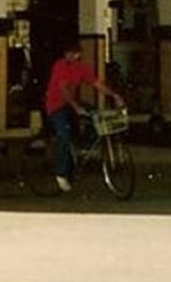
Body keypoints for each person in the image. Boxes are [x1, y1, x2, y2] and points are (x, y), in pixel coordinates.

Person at [44, 44, 124, 193]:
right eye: (68, 53)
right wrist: (76, 107)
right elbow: (64, 89)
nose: (71, 56)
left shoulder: (82, 68)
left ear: (79, 54)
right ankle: (61, 173)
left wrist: (114, 95)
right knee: (64, 135)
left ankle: (84, 148)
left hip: (71, 103)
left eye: (74, 53)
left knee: (96, 117)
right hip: (56, 105)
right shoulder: (60, 66)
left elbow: (96, 84)